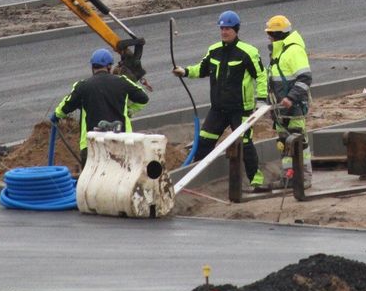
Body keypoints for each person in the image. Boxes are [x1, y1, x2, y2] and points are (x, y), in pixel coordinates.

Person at [171, 10, 267, 189]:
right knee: (204, 142)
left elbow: (261, 76)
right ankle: (193, 180)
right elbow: (202, 69)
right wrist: (184, 72)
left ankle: (257, 181)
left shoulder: (248, 52)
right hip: (218, 109)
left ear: (236, 30)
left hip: (241, 109)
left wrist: (261, 100)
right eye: (222, 28)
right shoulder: (214, 50)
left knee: (245, 144)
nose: (224, 32)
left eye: (228, 28)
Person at [53, 48, 150, 167]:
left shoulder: (83, 86)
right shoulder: (122, 82)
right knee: (120, 180)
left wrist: (56, 115)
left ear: (93, 67)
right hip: (122, 141)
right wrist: (129, 110)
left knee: (93, 183)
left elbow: (65, 107)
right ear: (109, 67)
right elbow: (143, 99)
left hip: (91, 145)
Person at [264, 14, 312, 188]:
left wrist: (291, 98)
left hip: (294, 107)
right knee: (284, 143)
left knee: (299, 142)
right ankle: (289, 177)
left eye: (269, 33)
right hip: (280, 109)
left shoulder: (293, 51)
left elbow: (305, 78)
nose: (268, 36)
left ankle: (304, 178)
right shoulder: (279, 51)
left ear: (276, 34)